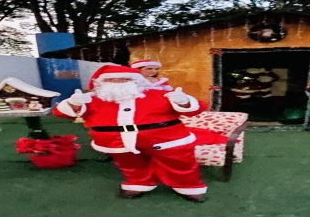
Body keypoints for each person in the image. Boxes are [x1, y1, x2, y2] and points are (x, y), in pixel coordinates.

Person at [53, 65, 209, 202]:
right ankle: (139, 183)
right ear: (101, 83)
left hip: (167, 140)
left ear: (136, 81)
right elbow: (63, 113)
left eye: (124, 79)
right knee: (131, 165)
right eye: (112, 80)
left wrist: (184, 101)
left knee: (179, 164)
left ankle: (188, 186)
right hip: (116, 143)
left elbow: (195, 109)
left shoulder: (159, 94)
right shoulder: (92, 99)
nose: (118, 82)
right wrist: (73, 104)